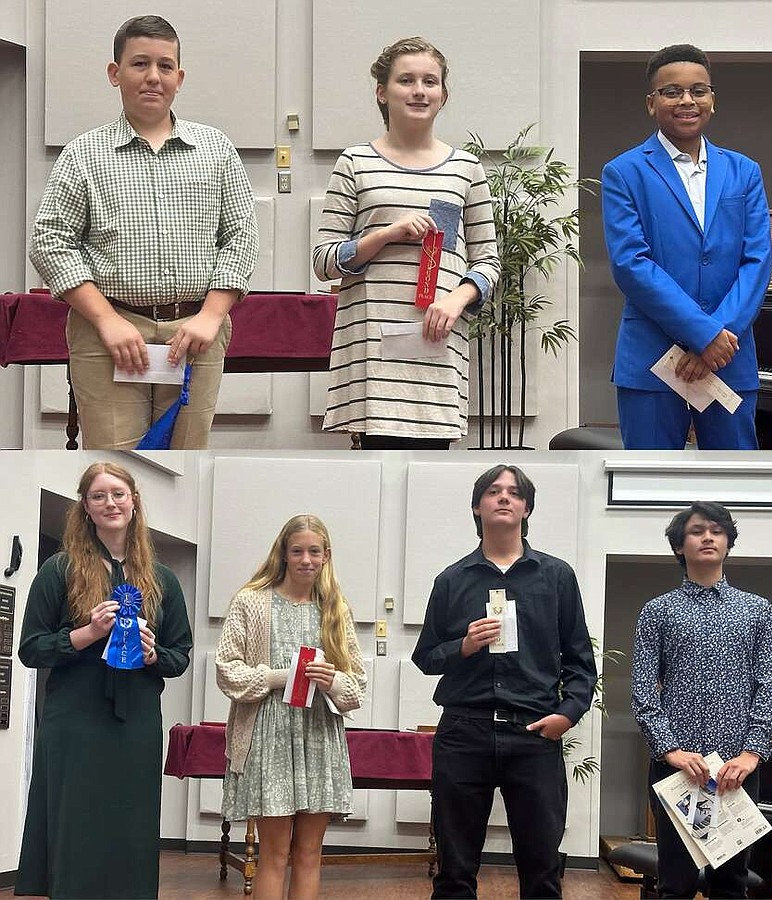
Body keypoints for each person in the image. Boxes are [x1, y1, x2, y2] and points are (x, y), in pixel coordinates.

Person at [29, 15, 259, 450]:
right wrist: (106, 320)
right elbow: (51, 240)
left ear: (180, 77)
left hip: (196, 332)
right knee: (115, 472)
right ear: (115, 74)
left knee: (185, 468)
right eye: (139, 64)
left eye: (165, 66)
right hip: (110, 333)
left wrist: (210, 316)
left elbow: (241, 237)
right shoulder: (84, 154)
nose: (153, 77)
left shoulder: (216, 149)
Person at [412, 465, 597, 899]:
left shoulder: (556, 576)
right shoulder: (451, 580)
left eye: (514, 493)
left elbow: (580, 661)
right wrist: (464, 646)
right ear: (477, 507)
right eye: (493, 491)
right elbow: (425, 656)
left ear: (526, 508)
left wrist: (566, 715)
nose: (503, 498)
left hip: (534, 732)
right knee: (454, 871)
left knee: (542, 870)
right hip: (464, 730)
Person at [15, 461, 193, 899]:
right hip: (74, 720)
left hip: (135, 722)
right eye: (99, 496)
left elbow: (179, 655)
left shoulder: (163, 579)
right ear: (86, 508)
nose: (110, 503)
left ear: (134, 502)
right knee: (77, 821)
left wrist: (152, 654)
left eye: (118, 494)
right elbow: (31, 649)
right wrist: (89, 633)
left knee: (130, 823)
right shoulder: (59, 570)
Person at [313, 37, 500, 450]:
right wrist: (384, 235)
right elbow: (324, 261)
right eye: (406, 80)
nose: (419, 90)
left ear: (443, 94)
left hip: (436, 347)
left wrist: (456, 299)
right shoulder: (354, 162)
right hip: (371, 361)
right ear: (382, 92)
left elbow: (489, 261)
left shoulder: (466, 169)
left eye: (430, 81)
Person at [601, 44, 772, 450]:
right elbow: (631, 264)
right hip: (652, 360)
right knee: (649, 489)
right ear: (651, 102)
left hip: (728, 358)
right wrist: (701, 333)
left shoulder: (744, 171)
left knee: (733, 493)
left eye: (698, 90)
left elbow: (757, 262)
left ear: (712, 99)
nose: (687, 101)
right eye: (672, 92)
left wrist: (716, 340)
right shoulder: (624, 172)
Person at [631, 501, 772, 899]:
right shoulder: (658, 612)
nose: (708, 537)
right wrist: (671, 751)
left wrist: (751, 754)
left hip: (737, 771)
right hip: (678, 770)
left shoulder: (757, 610)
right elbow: (644, 691)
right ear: (680, 546)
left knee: (730, 884)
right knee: (675, 885)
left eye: (717, 530)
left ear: (729, 543)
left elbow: (768, 687)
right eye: (697, 530)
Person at [216, 515, 366, 900]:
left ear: (326, 556)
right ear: (283, 553)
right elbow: (227, 673)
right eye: (297, 551)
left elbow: (356, 689)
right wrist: (278, 677)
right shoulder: (251, 601)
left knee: (309, 853)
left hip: (319, 737)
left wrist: (330, 679)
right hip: (269, 737)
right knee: (274, 854)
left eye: (314, 551)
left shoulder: (335, 608)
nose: (305, 559)